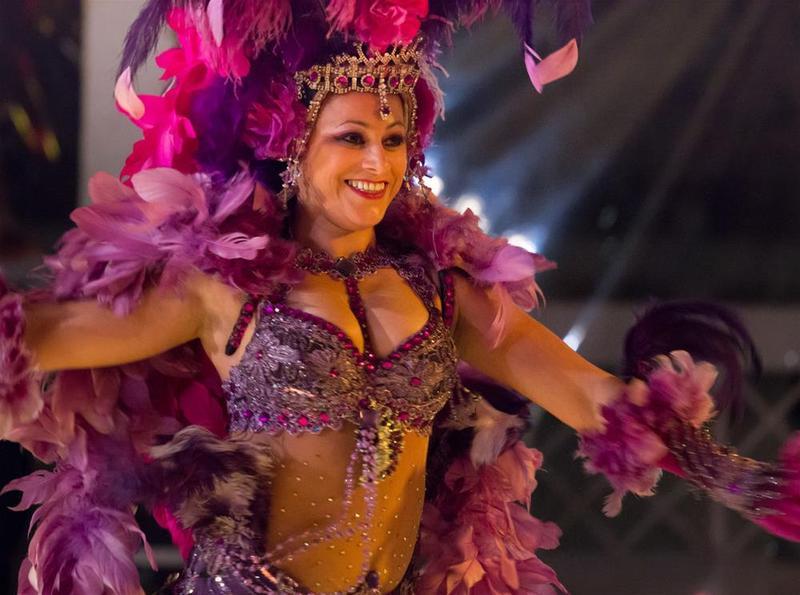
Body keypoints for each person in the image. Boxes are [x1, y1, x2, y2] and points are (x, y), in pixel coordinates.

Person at [1, 2, 799, 594]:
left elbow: (586, 393)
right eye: (351, 137)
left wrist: (733, 475)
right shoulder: (226, 286)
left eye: (392, 139)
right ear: (292, 144)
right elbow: (48, 334)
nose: (377, 163)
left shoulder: (441, 292)